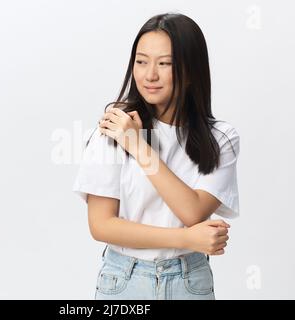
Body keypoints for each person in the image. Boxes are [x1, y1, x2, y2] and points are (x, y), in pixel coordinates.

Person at [72, 12, 240, 300]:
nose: (149, 75)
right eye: (141, 62)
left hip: (190, 282)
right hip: (124, 281)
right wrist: (186, 238)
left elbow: (192, 211)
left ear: (191, 72)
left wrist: (138, 146)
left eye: (165, 64)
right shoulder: (112, 130)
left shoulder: (221, 138)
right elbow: (101, 225)